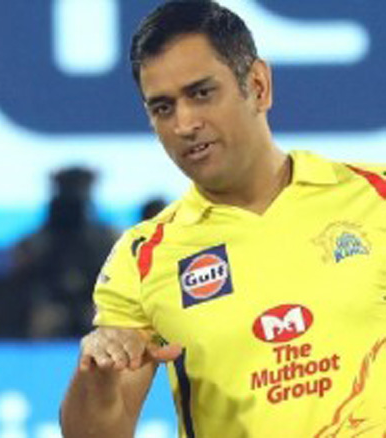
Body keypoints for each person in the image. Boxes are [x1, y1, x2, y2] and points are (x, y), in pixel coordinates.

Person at [61, 1, 386, 437]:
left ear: (258, 85)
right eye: (163, 108)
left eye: (201, 93)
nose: (184, 124)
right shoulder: (142, 258)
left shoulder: (375, 195)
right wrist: (96, 380)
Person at [12, 167, 117, 337]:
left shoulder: (109, 238)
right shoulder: (33, 242)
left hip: (94, 303)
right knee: (44, 321)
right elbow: (24, 281)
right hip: (51, 303)